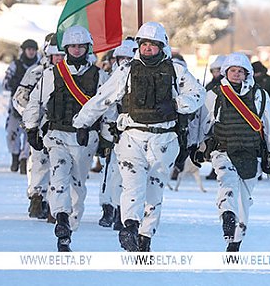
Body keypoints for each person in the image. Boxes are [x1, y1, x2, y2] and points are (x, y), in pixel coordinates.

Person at [71, 22, 205, 252]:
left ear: (162, 46)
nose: (148, 49)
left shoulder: (176, 71)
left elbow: (197, 95)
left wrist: (175, 104)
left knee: (154, 191)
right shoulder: (126, 70)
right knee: (132, 186)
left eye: (153, 45)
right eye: (144, 44)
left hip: (164, 140)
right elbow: (103, 98)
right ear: (139, 46)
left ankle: (145, 236)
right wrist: (82, 122)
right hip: (132, 136)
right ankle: (130, 225)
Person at [22, 26, 109, 251]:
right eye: (72, 46)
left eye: (81, 46)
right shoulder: (52, 74)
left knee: (77, 185)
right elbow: (35, 102)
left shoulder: (100, 76)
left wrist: (108, 138)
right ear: (66, 48)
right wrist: (31, 128)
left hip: (85, 140)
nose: (77, 50)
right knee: (59, 176)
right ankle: (60, 219)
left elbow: (108, 108)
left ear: (87, 48)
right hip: (57, 135)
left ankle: (70, 224)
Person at [191, 53, 270, 251]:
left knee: (244, 201)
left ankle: (235, 241)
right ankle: (227, 215)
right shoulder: (214, 94)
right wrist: (197, 146)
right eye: (232, 70)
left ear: (246, 74)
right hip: (222, 150)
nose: (236, 74)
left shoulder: (260, 95)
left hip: (252, 153)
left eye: (240, 71)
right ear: (226, 72)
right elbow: (202, 123)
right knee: (227, 182)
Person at [13, 33, 60, 222]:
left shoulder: (75, 74)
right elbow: (20, 97)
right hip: (41, 127)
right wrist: (31, 117)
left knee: (62, 168)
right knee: (39, 163)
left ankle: (56, 205)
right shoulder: (36, 72)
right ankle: (38, 198)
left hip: (65, 128)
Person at [95, 37, 138, 230]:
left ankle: (124, 211)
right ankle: (108, 207)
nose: (123, 62)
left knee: (128, 175)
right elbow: (104, 104)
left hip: (134, 131)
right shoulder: (109, 78)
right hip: (112, 131)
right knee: (110, 172)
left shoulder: (140, 77)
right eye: (120, 58)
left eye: (127, 58)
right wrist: (108, 130)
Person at [3, 38, 41, 173]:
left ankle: (24, 159)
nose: (31, 52)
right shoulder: (16, 65)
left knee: (30, 134)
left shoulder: (39, 66)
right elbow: (5, 83)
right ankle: (15, 156)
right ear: (24, 50)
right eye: (29, 49)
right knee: (11, 133)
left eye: (33, 50)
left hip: (34, 105)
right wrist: (15, 83)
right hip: (15, 105)